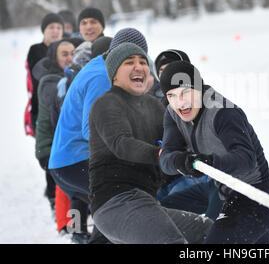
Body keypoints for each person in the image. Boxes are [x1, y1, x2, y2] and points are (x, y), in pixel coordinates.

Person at [89, 42, 213, 244]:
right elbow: (122, 143)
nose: (138, 67)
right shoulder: (107, 103)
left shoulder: (153, 106)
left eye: (142, 62)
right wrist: (161, 155)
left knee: (207, 231)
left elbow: (180, 136)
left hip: (147, 202)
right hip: (115, 202)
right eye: (129, 62)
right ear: (114, 74)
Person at [159, 61, 269, 244]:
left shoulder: (223, 112)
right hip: (227, 195)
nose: (180, 102)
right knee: (163, 209)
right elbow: (166, 159)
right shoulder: (173, 113)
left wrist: (208, 162)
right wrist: (181, 161)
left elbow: (246, 159)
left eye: (185, 93)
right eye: (172, 95)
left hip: (257, 197)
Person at [48, 28, 149, 243]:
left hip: (69, 160)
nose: (137, 67)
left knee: (102, 204)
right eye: (131, 59)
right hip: (73, 161)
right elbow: (90, 129)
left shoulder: (104, 68)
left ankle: (80, 234)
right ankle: (82, 234)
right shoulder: (101, 77)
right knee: (118, 200)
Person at [154, 50, 223, 220]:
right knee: (155, 213)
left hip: (201, 176)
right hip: (169, 177)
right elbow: (167, 151)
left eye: (172, 68)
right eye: (162, 71)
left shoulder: (208, 103)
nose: (168, 75)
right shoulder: (159, 104)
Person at [33, 38, 79, 236]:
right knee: (66, 186)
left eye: (72, 53)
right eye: (64, 54)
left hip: (59, 143)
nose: (70, 58)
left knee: (71, 185)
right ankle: (65, 225)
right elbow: (61, 106)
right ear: (54, 57)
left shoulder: (66, 76)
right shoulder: (49, 80)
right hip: (49, 146)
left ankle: (73, 224)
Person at [25, 13, 64, 136]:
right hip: (40, 109)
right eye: (51, 27)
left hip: (61, 109)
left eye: (59, 28)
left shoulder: (66, 49)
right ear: (44, 30)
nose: (55, 31)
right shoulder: (36, 49)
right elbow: (39, 74)